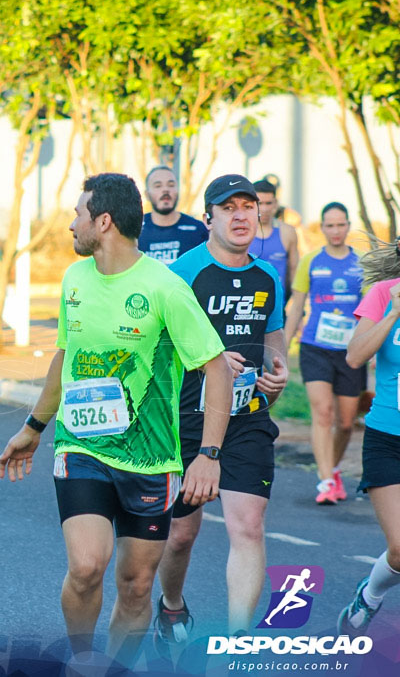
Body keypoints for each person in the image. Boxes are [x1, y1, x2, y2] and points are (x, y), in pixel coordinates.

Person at [0, 173, 232, 670]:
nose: (70, 225)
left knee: (137, 584)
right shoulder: (74, 279)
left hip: (151, 456)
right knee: (85, 567)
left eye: (77, 214)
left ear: (103, 222)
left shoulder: (164, 288)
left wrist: (209, 455)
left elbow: (216, 368)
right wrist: (34, 428)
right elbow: (66, 355)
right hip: (81, 447)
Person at [153, 175, 288, 652]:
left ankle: (238, 643)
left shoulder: (268, 275)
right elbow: (157, 345)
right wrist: (208, 359)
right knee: (182, 535)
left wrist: (278, 370)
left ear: (259, 215)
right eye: (227, 208)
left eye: (248, 206)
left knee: (248, 526)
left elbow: (274, 341)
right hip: (188, 417)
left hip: (247, 415)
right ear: (208, 218)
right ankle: (170, 604)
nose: (240, 216)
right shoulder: (182, 273)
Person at [337, 239, 400, 638]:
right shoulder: (383, 293)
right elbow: (355, 356)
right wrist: (393, 312)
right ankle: (371, 594)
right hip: (387, 438)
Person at [284, 202, 364, 505]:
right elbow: (296, 308)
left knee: (345, 423)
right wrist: (284, 345)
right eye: (329, 225)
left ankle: (333, 468)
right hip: (315, 346)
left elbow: (371, 311)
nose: (335, 231)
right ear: (323, 227)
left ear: (347, 226)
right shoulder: (310, 262)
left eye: (340, 225)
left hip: (349, 351)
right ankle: (326, 479)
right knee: (323, 413)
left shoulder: (361, 264)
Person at [136, 166, 208, 265]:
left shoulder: (199, 230)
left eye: (171, 185)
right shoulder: (135, 230)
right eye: (158, 186)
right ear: (147, 194)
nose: (165, 190)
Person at [249, 179, 299, 310]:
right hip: (246, 306)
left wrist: (297, 308)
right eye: (260, 203)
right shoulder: (242, 232)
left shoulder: (287, 232)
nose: (264, 209)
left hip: (277, 307)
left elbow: (294, 272)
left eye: (268, 203)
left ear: (275, 203)